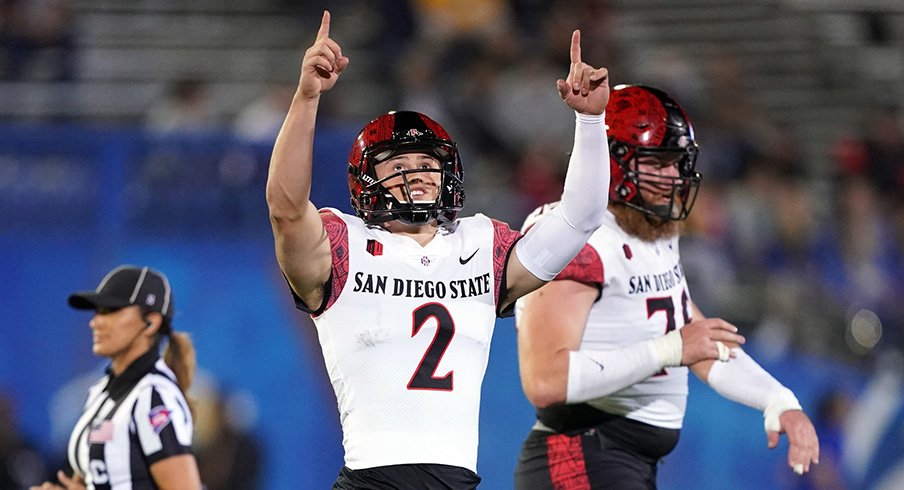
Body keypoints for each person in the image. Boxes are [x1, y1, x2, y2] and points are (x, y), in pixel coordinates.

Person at [266, 10, 611, 489]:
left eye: (428, 161)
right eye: (398, 163)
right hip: (372, 480)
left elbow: (580, 218)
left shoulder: (481, 245)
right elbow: (285, 209)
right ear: (367, 182)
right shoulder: (345, 244)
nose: (419, 172)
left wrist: (590, 122)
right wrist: (306, 97)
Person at [513, 84, 820, 489]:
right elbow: (545, 380)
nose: (674, 176)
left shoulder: (652, 229)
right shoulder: (574, 236)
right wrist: (671, 349)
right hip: (578, 455)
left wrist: (778, 400)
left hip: (620, 463)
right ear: (614, 161)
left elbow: (699, 341)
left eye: (678, 162)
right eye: (659, 163)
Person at [32, 265, 202, 490]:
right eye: (97, 311)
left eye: (111, 310)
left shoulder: (153, 397)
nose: (95, 322)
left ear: (151, 322)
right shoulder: (100, 392)